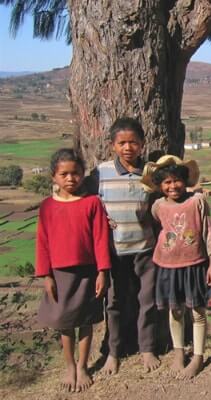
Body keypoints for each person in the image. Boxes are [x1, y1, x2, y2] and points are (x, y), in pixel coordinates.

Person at [35, 148, 111, 392]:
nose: (70, 179)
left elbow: (100, 239)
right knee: (64, 323)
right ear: (53, 177)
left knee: (86, 320)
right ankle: (69, 365)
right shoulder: (47, 206)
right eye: (64, 174)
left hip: (88, 272)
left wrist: (103, 271)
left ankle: (82, 366)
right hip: (59, 274)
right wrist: (46, 275)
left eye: (76, 173)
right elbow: (42, 241)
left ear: (83, 174)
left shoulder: (92, 203)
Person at [90, 117, 160, 374]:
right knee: (115, 303)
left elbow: (162, 199)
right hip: (114, 252)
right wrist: (101, 219)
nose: (128, 147)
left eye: (133, 142)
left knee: (148, 301)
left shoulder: (150, 173)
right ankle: (114, 352)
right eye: (122, 143)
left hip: (146, 249)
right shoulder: (101, 173)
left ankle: (147, 348)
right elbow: (88, 203)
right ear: (112, 145)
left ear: (142, 144)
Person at [141, 155, 211, 379]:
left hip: (195, 265)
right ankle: (178, 354)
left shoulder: (197, 201)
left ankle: (198, 356)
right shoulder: (157, 206)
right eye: (166, 182)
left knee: (197, 311)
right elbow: (161, 229)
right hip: (168, 267)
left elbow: (209, 232)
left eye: (176, 180)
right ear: (159, 185)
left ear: (185, 180)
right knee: (175, 311)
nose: (172, 186)